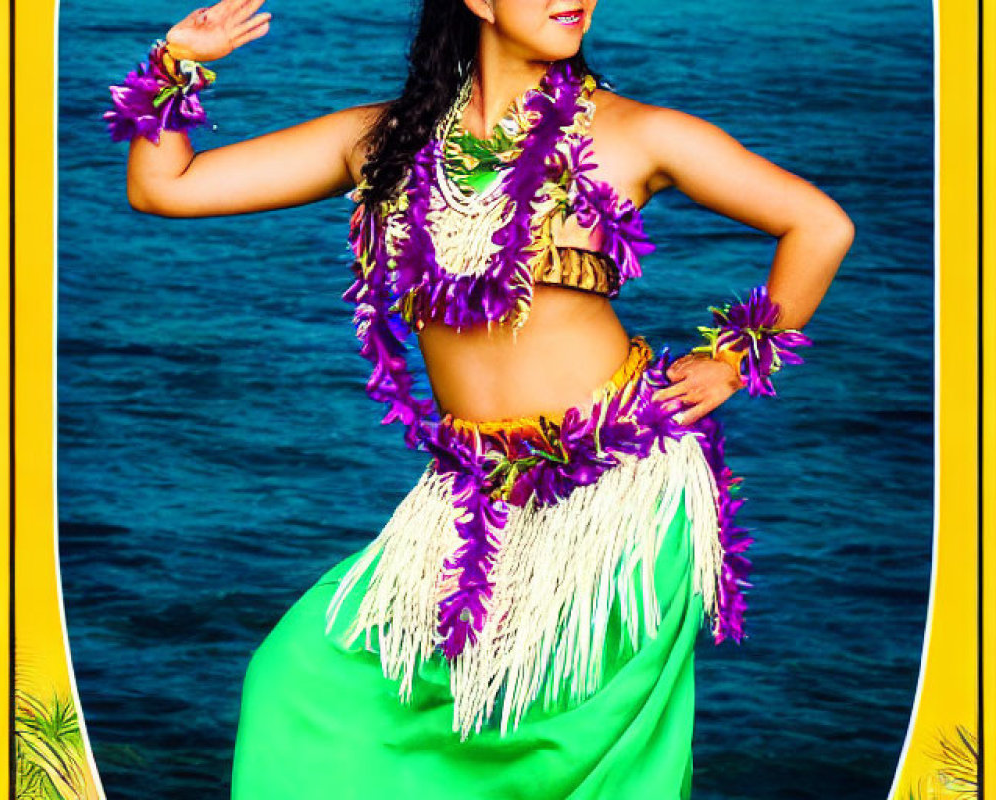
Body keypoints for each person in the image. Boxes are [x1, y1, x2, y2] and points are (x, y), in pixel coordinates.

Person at [104, 0, 854, 796]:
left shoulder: (636, 134)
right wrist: (173, 64)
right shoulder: (381, 143)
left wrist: (733, 359)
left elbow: (818, 225)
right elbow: (168, 188)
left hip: (618, 494)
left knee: (565, 758)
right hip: (469, 496)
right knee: (301, 679)